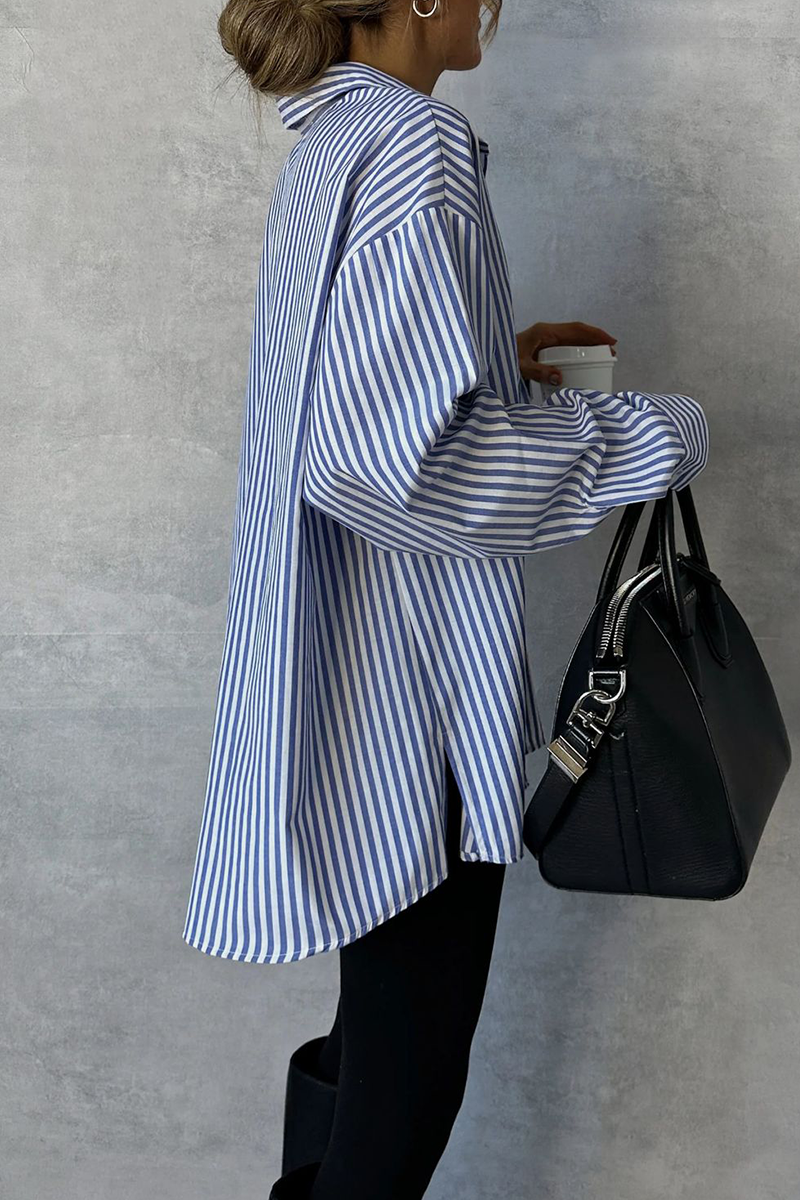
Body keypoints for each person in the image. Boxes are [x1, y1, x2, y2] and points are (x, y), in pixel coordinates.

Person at [182, 1, 710, 1197]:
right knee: (404, 1077)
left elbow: (345, 404)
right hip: (409, 690)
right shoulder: (411, 145)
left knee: (378, 1042)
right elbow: (385, 465)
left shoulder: (338, 137)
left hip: (340, 675)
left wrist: (482, 360)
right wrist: (654, 435)